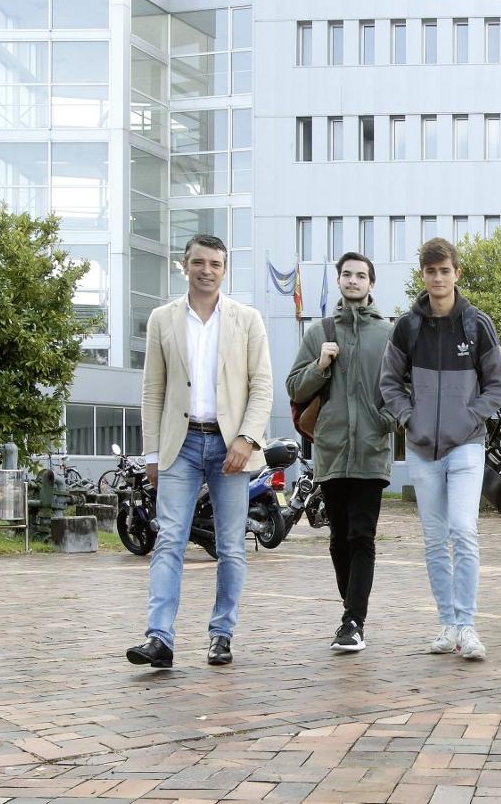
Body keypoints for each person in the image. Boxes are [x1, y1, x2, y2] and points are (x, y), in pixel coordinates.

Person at [126, 234, 272, 669]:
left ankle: (221, 635)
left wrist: (247, 439)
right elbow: (152, 390)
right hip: (181, 443)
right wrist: (151, 453)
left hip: (231, 446)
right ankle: (159, 639)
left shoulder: (247, 319)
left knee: (230, 545)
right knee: (169, 538)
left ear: (224, 270)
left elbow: (261, 386)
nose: (207, 270)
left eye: (215, 264)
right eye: (199, 262)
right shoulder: (162, 319)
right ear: (184, 265)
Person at [379, 238, 501, 661]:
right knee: (435, 540)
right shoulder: (407, 327)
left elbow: (497, 385)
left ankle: (467, 626)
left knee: (464, 530)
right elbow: (389, 383)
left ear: (456, 273)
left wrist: (472, 417)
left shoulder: (476, 324)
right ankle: (447, 624)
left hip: (466, 445)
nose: (438, 278)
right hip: (420, 448)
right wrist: (408, 418)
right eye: (430, 271)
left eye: (444, 270)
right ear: (423, 275)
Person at [286, 252, 393, 653]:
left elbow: (403, 389)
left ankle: (353, 621)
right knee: (338, 541)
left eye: (361, 275)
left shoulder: (387, 333)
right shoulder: (318, 332)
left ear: (371, 284)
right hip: (331, 450)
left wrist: (385, 420)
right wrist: (320, 364)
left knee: (361, 535)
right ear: (339, 280)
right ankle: (350, 613)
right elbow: (295, 388)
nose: (353, 281)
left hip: (370, 450)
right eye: (347, 274)